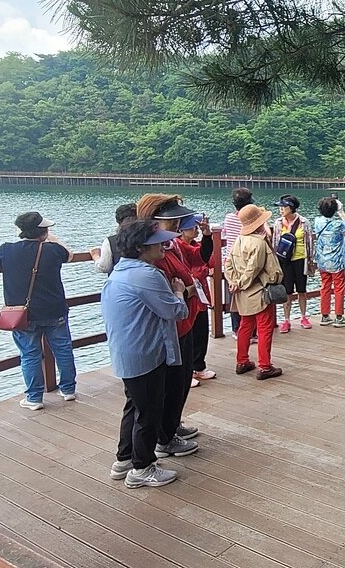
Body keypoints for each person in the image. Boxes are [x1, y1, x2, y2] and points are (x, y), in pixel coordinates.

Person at [101, 221, 193, 489]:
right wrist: (178, 292)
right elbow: (175, 311)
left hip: (127, 352)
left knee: (135, 406)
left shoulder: (121, 270)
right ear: (141, 247)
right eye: (157, 242)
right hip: (145, 353)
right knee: (149, 412)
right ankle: (141, 467)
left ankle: (124, 459)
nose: (164, 245)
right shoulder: (147, 275)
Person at [136, 194, 205, 454]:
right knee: (171, 385)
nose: (176, 224)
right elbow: (163, 292)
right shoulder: (152, 254)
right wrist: (185, 291)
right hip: (171, 327)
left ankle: (172, 426)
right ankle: (165, 438)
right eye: (170, 221)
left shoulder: (171, 245)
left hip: (184, 321)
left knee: (181, 381)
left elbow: (197, 259)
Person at [0, 211, 77, 411]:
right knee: (63, 349)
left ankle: (34, 398)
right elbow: (69, 254)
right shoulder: (53, 250)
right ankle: (68, 390)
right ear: (43, 232)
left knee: (30, 354)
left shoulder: (7, 250)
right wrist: (53, 239)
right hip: (54, 310)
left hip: (24, 314)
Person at [224, 204, 285, 379]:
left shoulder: (239, 240)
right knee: (264, 328)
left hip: (243, 294)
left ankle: (242, 361)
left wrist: (234, 282)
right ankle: (265, 366)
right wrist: (242, 282)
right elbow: (258, 269)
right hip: (260, 291)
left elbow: (228, 264)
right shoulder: (259, 243)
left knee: (245, 326)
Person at [176, 213, 216, 386]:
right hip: (187, 294)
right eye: (193, 227)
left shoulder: (195, 245)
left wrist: (207, 235)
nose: (196, 230)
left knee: (201, 331)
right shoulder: (177, 246)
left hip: (200, 294)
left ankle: (199, 365)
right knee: (188, 333)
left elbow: (207, 258)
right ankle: (188, 371)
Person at [272, 194, 316, 332]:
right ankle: (286, 320)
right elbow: (275, 243)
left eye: (283, 207)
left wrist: (311, 261)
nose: (281, 209)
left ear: (291, 207)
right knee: (287, 291)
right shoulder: (278, 223)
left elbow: (309, 242)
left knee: (302, 290)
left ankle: (304, 316)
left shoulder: (304, 222)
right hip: (285, 261)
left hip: (300, 259)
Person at [312, 196, 345, 327]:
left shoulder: (317, 221)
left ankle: (325, 315)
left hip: (322, 261)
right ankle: (339, 317)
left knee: (325, 286)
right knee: (339, 288)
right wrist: (341, 212)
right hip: (336, 262)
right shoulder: (337, 224)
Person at [220, 187, 253, 336]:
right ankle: (250, 331)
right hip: (246, 260)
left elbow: (223, 233)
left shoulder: (229, 218)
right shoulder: (250, 220)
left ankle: (236, 329)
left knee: (234, 294)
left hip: (230, 261)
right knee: (250, 294)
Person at [90, 203, 137, 274]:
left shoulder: (111, 241)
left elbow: (104, 267)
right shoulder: (148, 237)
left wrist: (95, 256)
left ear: (118, 221)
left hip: (119, 279)